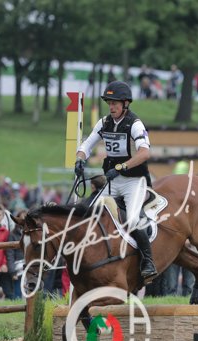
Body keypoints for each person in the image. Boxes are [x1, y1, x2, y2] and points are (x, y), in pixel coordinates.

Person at [74, 80, 156, 281]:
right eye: (109, 103)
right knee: (87, 212)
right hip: (112, 181)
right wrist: (79, 159)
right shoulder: (104, 122)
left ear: (125, 104)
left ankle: (148, 262)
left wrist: (121, 167)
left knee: (132, 220)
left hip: (133, 181)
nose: (111, 107)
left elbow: (145, 153)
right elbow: (86, 144)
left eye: (115, 103)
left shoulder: (134, 124)